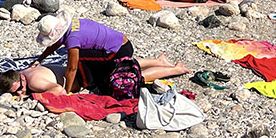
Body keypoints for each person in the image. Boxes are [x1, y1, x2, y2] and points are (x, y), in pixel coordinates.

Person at [30, 17, 187, 94]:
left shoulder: (73, 39)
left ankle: (174, 69)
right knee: (126, 64)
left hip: (118, 51)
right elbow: (57, 43)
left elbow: (71, 68)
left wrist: (68, 91)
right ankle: (159, 61)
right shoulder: (74, 25)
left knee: (124, 74)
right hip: (121, 45)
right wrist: (39, 60)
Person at [0, 64, 66, 98]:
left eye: (20, 88)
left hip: (75, 80)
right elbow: (8, 78)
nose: (19, 93)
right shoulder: (20, 74)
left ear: (22, 78)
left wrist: (30, 96)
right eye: (14, 93)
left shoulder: (33, 82)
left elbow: (59, 90)